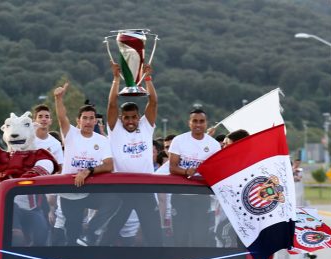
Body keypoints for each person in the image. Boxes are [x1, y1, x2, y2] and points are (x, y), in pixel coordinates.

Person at [101, 62, 162, 246]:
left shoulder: (146, 126)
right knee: (112, 229)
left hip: (145, 186)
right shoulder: (115, 128)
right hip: (122, 187)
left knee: (153, 231)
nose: (130, 121)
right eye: (126, 117)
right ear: (121, 118)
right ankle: (98, 256)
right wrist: (116, 79)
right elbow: (112, 103)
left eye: (133, 117)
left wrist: (148, 78)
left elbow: (153, 102)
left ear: (138, 117)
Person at [54, 82, 118, 247]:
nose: (89, 122)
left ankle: (91, 231)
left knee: (114, 200)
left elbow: (109, 165)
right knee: (72, 233)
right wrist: (58, 98)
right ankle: (72, 258)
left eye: (92, 118)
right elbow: (61, 117)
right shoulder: (71, 134)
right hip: (70, 192)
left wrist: (88, 171)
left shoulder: (102, 141)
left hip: (90, 191)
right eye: (85, 118)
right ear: (78, 120)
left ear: (96, 121)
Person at [168, 108, 220, 246]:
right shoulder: (179, 140)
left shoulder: (214, 145)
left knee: (200, 239)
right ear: (189, 123)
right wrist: (186, 172)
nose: (198, 124)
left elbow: (216, 171)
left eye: (201, 121)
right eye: (195, 121)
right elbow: (172, 168)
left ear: (206, 123)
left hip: (201, 198)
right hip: (180, 196)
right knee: (180, 238)